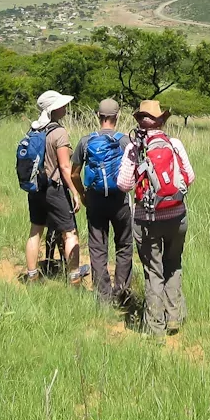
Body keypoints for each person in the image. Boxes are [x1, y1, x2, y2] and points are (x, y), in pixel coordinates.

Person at [116, 100, 195, 336]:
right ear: (161, 120)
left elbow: (124, 184)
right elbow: (189, 177)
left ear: (140, 121)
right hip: (177, 216)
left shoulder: (134, 148)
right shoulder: (174, 143)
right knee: (174, 265)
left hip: (147, 219)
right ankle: (174, 318)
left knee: (153, 271)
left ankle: (155, 328)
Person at [71, 99, 134, 306]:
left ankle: (103, 296)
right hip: (120, 199)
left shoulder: (86, 141)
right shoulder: (125, 141)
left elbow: (74, 174)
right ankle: (122, 292)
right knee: (124, 245)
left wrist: (82, 195)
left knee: (98, 248)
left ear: (98, 116)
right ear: (117, 117)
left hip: (95, 199)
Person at [22, 90, 87, 284]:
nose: (65, 107)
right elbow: (65, 167)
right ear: (54, 109)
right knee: (70, 233)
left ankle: (32, 276)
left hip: (35, 188)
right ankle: (75, 278)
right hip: (55, 188)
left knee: (35, 232)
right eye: (61, 105)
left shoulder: (34, 130)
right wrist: (75, 192)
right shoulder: (58, 132)